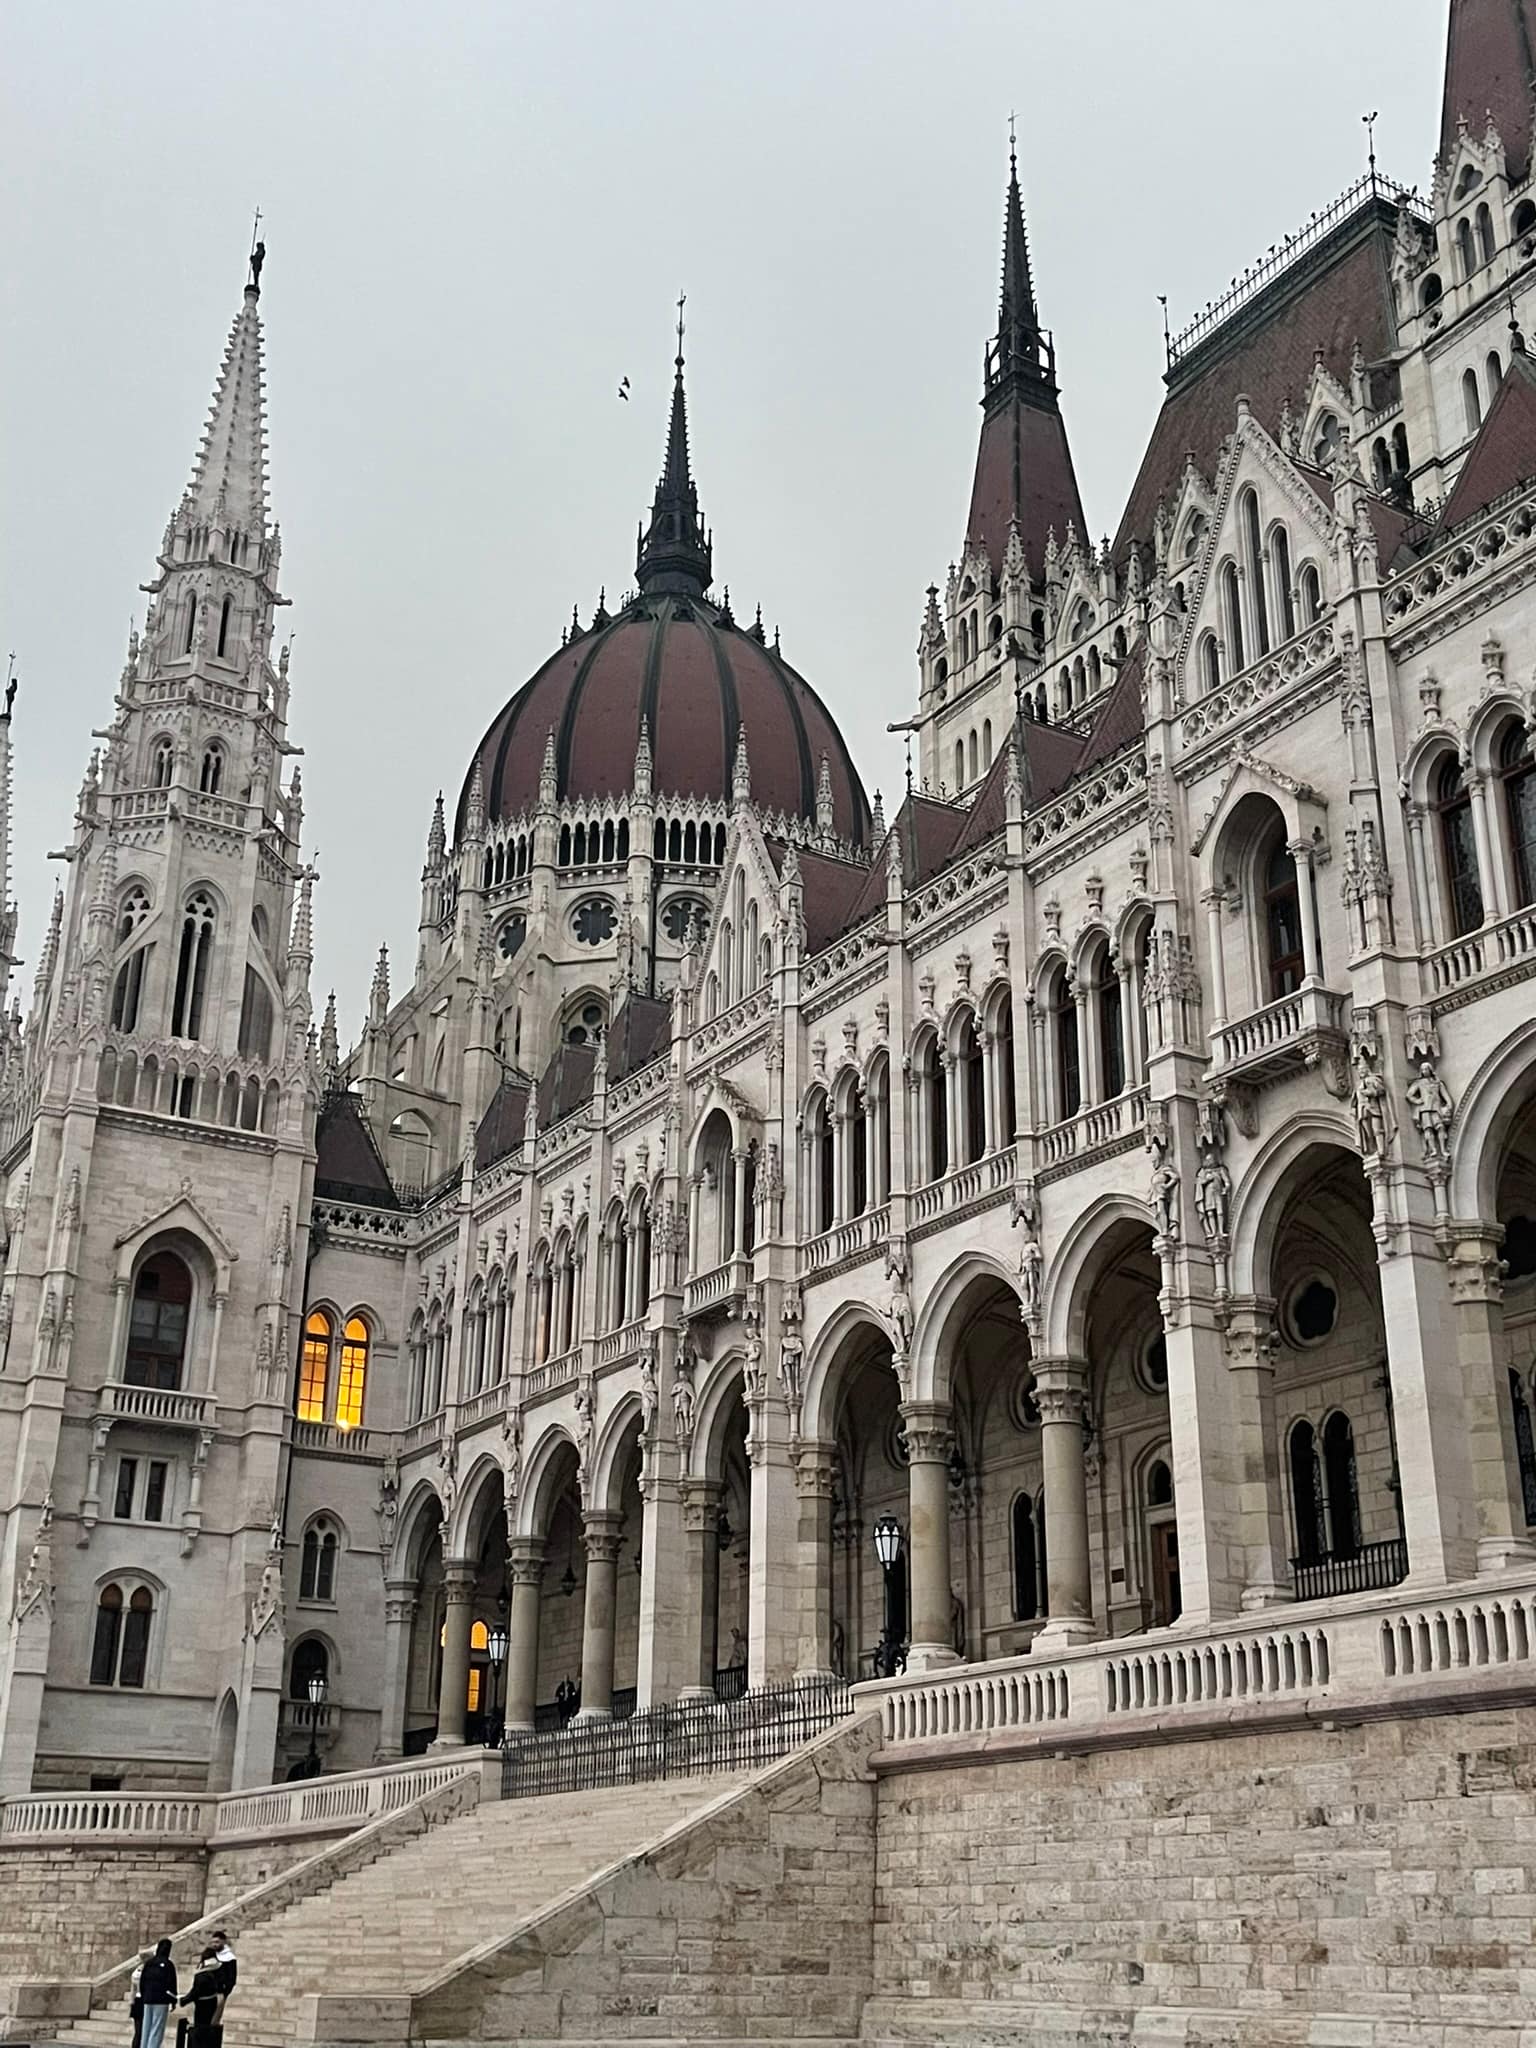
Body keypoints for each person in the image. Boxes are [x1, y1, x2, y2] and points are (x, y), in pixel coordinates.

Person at [179, 1948, 223, 2048]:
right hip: (213, 2001)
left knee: (201, 2029)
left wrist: (184, 2000)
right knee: (210, 2028)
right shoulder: (219, 1970)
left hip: (202, 2005)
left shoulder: (202, 1974)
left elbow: (196, 1992)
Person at [137, 1940, 176, 2048]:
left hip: (148, 1998)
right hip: (161, 2000)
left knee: (146, 2026)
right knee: (157, 2027)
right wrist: (173, 2000)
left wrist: (143, 1995)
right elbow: (171, 1983)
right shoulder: (168, 1964)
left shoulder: (149, 1963)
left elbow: (142, 1981)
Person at [210, 1933, 236, 2048]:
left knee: (214, 2020)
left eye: (217, 1942)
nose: (215, 1945)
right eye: (213, 1942)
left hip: (220, 1992)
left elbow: (232, 1978)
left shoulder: (230, 1958)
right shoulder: (211, 1955)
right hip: (207, 1992)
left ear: (223, 1942)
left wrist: (225, 1991)